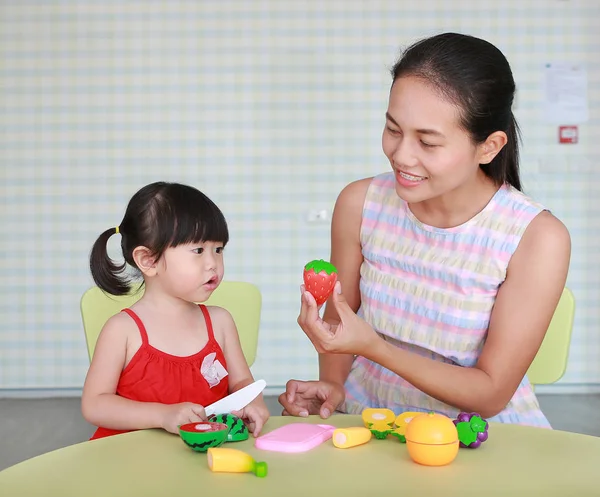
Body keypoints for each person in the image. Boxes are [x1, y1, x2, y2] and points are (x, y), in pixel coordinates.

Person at [279, 32, 571, 428]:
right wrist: (334, 386)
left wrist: (375, 347)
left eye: (428, 142)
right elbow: (340, 324)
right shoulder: (359, 204)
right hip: (372, 422)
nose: (401, 155)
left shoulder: (536, 237)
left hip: (477, 438)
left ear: (489, 146)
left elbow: (489, 394)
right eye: (394, 129)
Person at [82, 182, 269, 439]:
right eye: (198, 250)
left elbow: (241, 383)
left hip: (203, 456)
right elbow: (94, 405)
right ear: (149, 260)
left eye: (218, 250)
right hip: (129, 460)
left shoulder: (220, 322)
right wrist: (163, 415)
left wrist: (253, 401)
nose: (213, 263)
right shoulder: (123, 330)